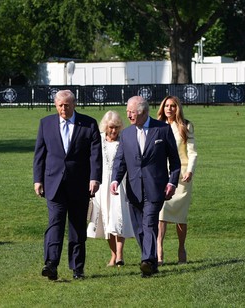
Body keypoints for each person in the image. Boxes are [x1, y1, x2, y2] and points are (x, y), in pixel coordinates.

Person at [33, 89, 102, 281]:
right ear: (56, 105)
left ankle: (77, 268)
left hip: (80, 184)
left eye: (67, 105)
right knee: (55, 223)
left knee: (77, 227)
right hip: (53, 183)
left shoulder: (88, 124)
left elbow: (95, 155)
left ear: (74, 104)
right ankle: (51, 265)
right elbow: (40, 154)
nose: (63, 109)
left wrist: (95, 178)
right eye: (60, 105)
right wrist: (37, 180)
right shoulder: (46, 124)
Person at [110, 96, 181, 277]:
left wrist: (172, 182)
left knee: (149, 222)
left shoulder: (162, 130)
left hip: (155, 187)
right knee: (139, 228)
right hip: (133, 189)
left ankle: (148, 261)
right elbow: (120, 160)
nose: (128, 116)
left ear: (143, 112)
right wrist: (115, 180)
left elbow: (174, 160)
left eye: (131, 112)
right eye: (127, 112)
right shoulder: (126, 134)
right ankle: (149, 261)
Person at [87, 110, 134, 267]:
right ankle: (113, 256)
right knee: (106, 221)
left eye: (117, 127)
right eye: (111, 127)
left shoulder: (124, 140)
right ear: (105, 127)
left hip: (119, 183)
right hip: (102, 185)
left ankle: (120, 255)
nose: (114, 131)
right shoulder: (98, 140)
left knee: (118, 218)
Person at [156, 95, 198, 264]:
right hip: (162, 174)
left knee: (180, 216)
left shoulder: (186, 126)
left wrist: (190, 170)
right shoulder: (157, 126)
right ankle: (159, 249)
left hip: (182, 176)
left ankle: (181, 247)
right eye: (167, 106)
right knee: (161, 212)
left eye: (173, 106)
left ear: (177, 107)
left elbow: (192, 151)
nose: (169, 109)